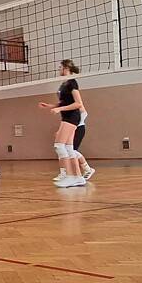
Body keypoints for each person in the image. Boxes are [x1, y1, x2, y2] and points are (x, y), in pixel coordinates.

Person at [38, 59, 86, 188]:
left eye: (60, 67)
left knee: (59, 145)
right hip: (67, 117)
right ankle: (78, 178)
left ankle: (70, 176)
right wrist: (51, 106)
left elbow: (78, 103)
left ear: (66, 68)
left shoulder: (72, 83)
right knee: (69, 148)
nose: (59, 69)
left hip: (72, 117)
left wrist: (59, 109)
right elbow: (64, 102)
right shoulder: (63, 85)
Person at [56, 109, 95, 183]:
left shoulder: (76, 105)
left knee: (71, 150)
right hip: (71, 128)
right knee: (61, 148)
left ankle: (87, 169)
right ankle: (64, 173)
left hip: (78, 129)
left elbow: (84, 113)